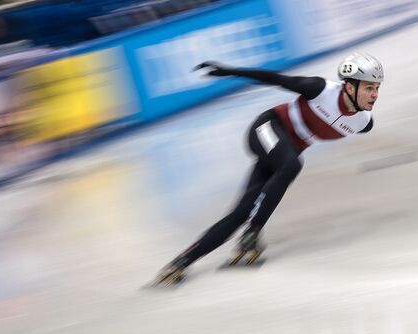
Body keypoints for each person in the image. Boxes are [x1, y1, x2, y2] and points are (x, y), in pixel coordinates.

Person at [152, 52, 384, 286]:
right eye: (368, 88)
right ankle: (253, 232)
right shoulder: (320, 89)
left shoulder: (363, 123)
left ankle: (180, 262)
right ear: (349, 87)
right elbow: (274, 78)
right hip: (266, 127)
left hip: (282, 153)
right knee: (292, 164)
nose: (374, 95)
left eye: (376, 88)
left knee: (241, 213)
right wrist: (230, 71)